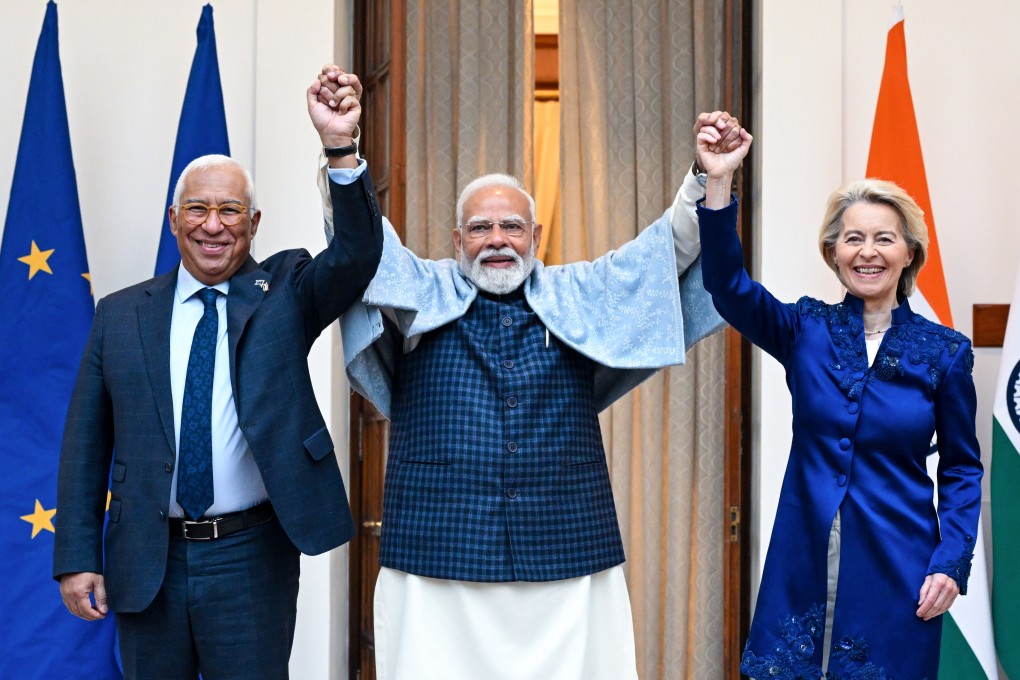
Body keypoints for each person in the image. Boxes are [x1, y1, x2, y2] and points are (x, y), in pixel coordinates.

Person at [314, 66, 740, 680]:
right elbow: (359, 246)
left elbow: (664, 252)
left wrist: (707, 176)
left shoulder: (578, 291)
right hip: (438, 551)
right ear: (457, 238)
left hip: (566, 548)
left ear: (536, 235)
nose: (497, 240)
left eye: (511, 226)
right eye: (481, 228)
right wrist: (340, 147)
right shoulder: (420, 286)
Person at [52, 69, 382, 679]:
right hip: (148, 559)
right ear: (173, 220)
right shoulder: (120, 315)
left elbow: (359, 255)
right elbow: (84, 444)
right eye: (198, 210)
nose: (214, 225)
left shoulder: (286, 290)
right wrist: (75, 556)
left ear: (253, 225)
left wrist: (340, 147)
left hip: (251, 555)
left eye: (231, 210)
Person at [693, 119, 982, 677]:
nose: (867, 252)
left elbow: (963, 468)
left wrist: (952, 561)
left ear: (908, 253)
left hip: (900, 565)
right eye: (853, 238)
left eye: (883, 238)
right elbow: (726, 287)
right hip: (802, 556)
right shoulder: (806, 328)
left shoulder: (944, 352)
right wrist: (720, 182)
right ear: (833, 252)